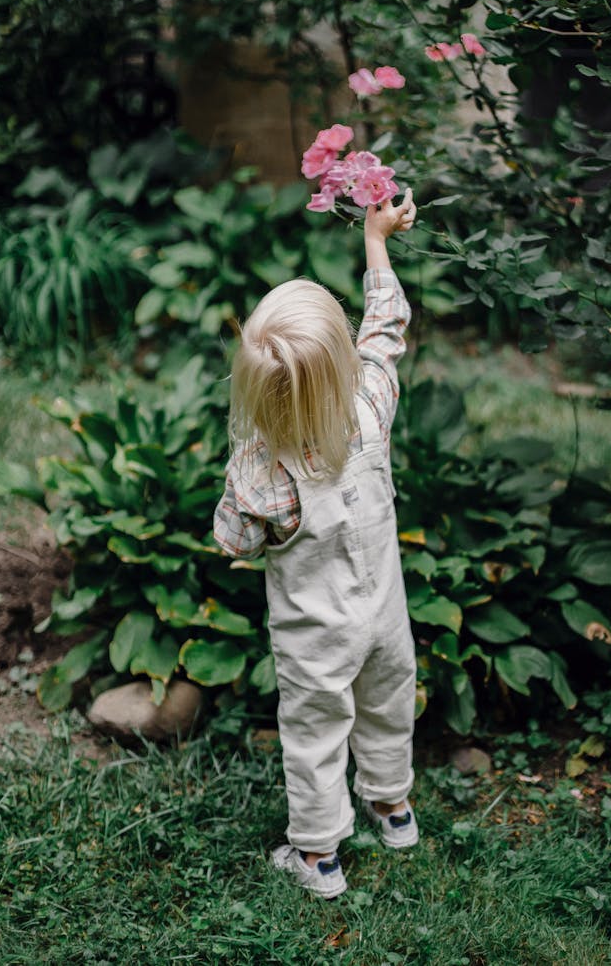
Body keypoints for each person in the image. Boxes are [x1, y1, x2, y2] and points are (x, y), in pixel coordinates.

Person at [213, 188, 419, 899]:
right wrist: (375, 240)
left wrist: (247, 449)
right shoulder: (370, 405)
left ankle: (319, 855)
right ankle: (394, 808)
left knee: (315, 732)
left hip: (317, 638)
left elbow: (231, 540)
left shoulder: (262, 471)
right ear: (341, 365)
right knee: (390, 702)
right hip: (386, 620)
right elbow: (386, 329)